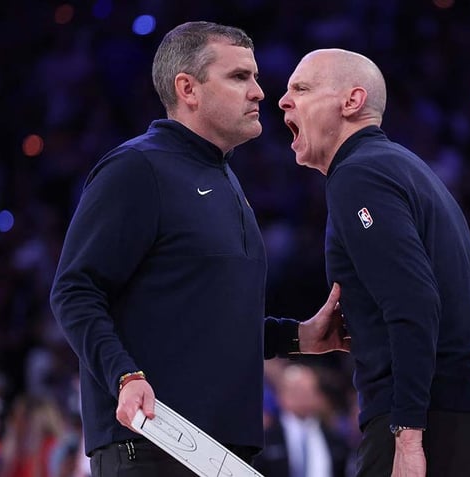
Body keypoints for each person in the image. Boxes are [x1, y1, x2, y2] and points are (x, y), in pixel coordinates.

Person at [50, 21, 347, 476]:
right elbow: (74, 290)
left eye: (255, 77)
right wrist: (124, 375)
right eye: (239, 77)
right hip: (154, 443)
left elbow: (210, 322)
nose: (259, 93)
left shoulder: (226, 178)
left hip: (229, 453)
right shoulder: (136, 169)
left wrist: (299, 337)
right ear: (187, 88)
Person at [278, 48, 470, 477]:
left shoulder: (358, 174)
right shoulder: (408, 168)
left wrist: (409, 433)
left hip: (434, 422)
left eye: (300, 88)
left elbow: (413, 301)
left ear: (351, 101)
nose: (283, 100)